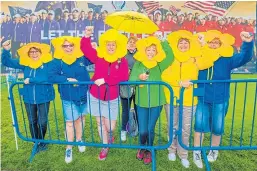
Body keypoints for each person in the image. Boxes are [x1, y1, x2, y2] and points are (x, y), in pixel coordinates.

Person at [193, 30, 254, 168]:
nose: (214, 45)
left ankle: (214, 150)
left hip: (220, 98)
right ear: (207, 43)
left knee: (217, 125)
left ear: (221, 44)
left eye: (217, 43)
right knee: (199, 125)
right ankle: (196, 151)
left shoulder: (227, 58)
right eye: (211, 42)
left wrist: (248, 43)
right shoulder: (201, 54)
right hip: (203, 97)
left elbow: (245, 57)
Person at [162, 30, 212, 168]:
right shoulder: (170, 57)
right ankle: (171, 149)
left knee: (186, 128)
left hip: (189, 100)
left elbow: (207, 62)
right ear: (176, 45)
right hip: (171, 98)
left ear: (190, 45)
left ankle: (183, 154)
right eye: (180, 43)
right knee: (172, 126)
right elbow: (164, 76)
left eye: (186, 42)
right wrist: (179, 82)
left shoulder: (194, 57)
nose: (183, 45)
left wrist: (203, 45)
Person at [81, 28, 129, 161]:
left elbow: (123, 77)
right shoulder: (99, 56)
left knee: (110, 126)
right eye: (108, 44)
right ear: (105, 45)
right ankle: (104, 146)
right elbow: (86, 49)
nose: (111, 47)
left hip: (112, 98)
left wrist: (106, 80)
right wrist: (87, 36)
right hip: (95, 95)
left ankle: (109, 136)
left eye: (113, 44)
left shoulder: (121, 60)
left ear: (117, 45)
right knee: (99, 122)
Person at [1, 40, 54, 153]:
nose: (34, 54)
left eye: (36, 51)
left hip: (44, 97)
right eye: (32, 52)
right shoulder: (25, 63)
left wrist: (31, 80)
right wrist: (6, 50)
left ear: (41, 52)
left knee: (43, 122)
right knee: (32, 121)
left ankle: (40, 141)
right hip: (29, 98)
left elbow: (47, 78)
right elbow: (7, 62)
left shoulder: (48, 63)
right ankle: (37, 143)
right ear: (28, 54)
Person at [129, 36, 174, 165]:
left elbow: (170, 56)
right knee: (143, 130)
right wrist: (139, 78)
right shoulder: (138, 63)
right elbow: (131, 81)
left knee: (150, 128)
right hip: (141, 103)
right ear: (144, 51)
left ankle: (149, 150)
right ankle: (142, 147)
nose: (150, 52)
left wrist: (163, 42)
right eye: (148, 50)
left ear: (157, 52)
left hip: (157, 102)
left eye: (153, 50)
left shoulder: (159, 64)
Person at [48, 36, 92, 163]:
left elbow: (94, 57)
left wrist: (88, 41)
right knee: (70, 122)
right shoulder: (57, 61)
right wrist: (66, 79)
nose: (68, 48)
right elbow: (51, 76)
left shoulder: (81, 58)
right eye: (65, 46)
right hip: (68, 97)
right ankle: (69, 147)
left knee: (81, 118)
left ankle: (79, 139)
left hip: (83, 95)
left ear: (74, 46)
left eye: (70, 45)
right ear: (61, 47)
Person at [120, 36, 138, 142]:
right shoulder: (122, 54)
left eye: (134, 42)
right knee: (125, 110)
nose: (132, 43)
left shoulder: (140, 54)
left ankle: (137, 129)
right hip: (125, 87)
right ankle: (123, 130)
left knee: (138, 109)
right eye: (130, 42)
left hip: (137, 87)